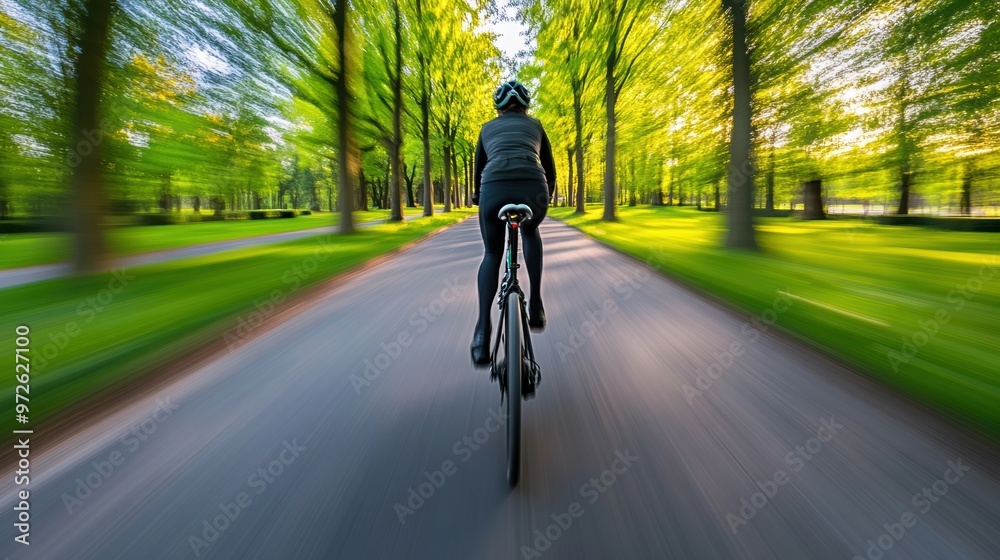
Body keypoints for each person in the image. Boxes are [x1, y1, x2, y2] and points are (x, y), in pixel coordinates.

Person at [470, 80, 556, 367]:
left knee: (492, 253)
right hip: (535, 190)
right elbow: (550, 168)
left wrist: (476, 196)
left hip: (494, 190)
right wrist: (548, 196)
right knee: (531, 231)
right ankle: (537, 305)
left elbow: (478, 169)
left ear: (499, 108)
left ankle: (483, 331)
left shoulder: (486, 128)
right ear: (525, 106)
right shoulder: (536, 125)